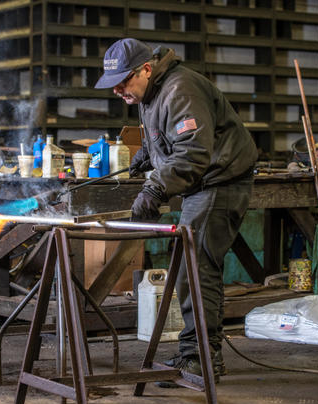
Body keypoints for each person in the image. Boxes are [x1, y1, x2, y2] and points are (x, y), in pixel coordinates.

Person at [95, 38, 258, 382]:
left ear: (146, 69)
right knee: (193, 266)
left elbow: (193, 153)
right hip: (204, 180)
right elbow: (168, 134)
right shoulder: (150, 91)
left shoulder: (180, 89)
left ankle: (200, 357)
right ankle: (198, 354)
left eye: (123, 81)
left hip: (220, 180)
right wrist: (149, 155)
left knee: (194, 267)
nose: (118, 90)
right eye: (114, 85)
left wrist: (154, 189)